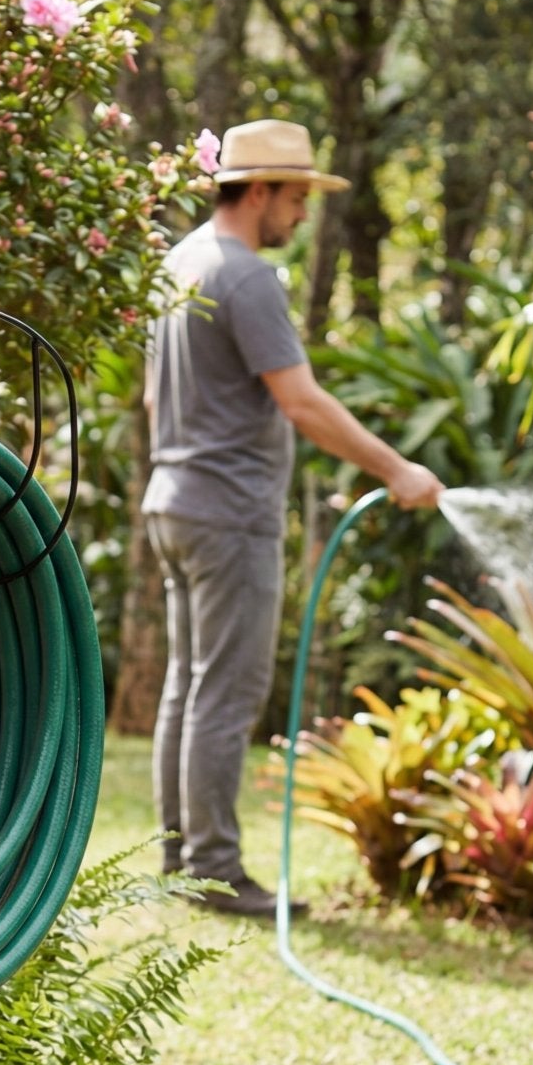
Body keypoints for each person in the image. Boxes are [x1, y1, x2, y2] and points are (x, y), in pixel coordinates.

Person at [142, 118, 445, 918]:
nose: (304, 215)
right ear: (263, 191)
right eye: (299, 197)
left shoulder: (178, 264)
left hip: (172, 502)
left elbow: (152, 397)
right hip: (229, 513)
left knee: (187, 687)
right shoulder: (244, 278)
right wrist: (398, 469)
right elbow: (301, 400)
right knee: (225, 694)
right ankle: (214, 870)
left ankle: (181, 860)